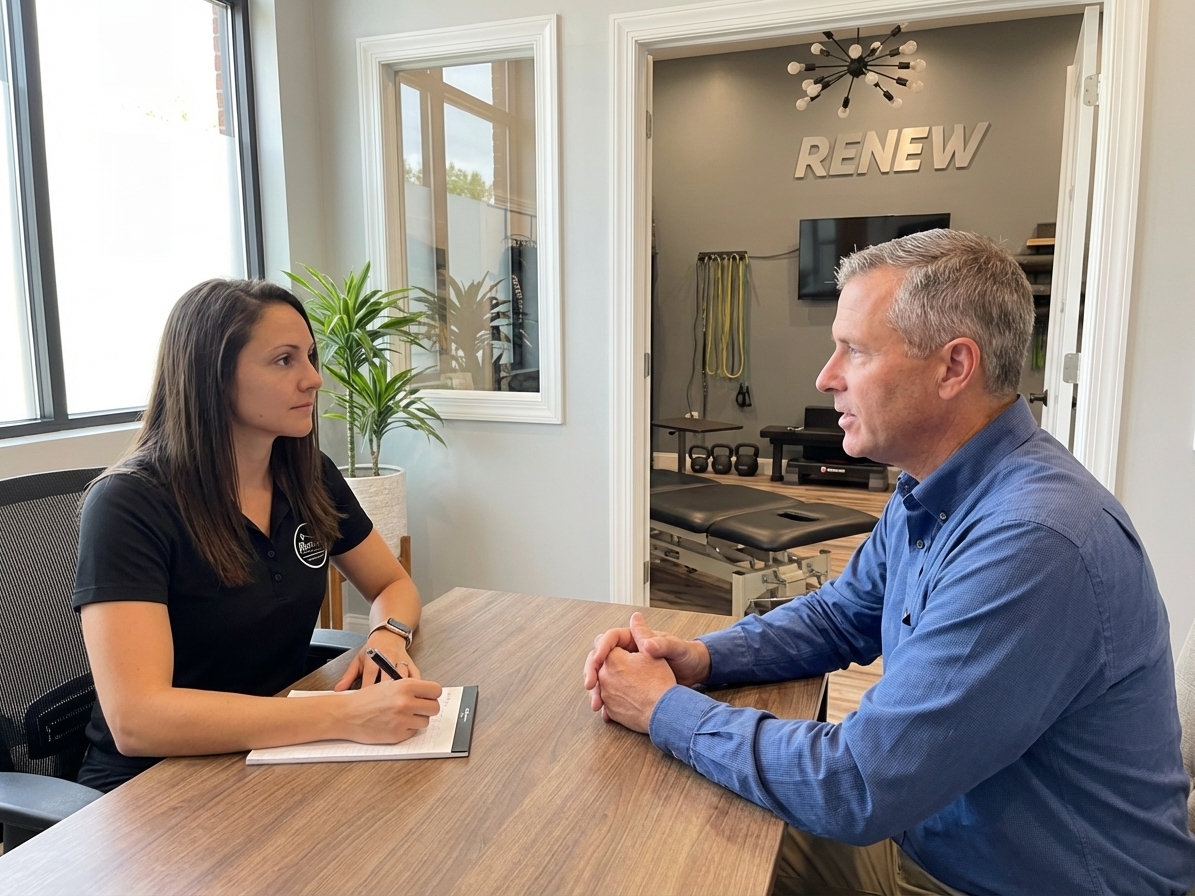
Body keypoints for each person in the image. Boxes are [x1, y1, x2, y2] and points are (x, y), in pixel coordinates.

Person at [583, 230, 1195, 895]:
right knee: (683, 835)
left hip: (1000, 882)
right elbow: (840, 615)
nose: (826, 377)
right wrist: (702, 659)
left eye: (855, 350)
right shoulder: (932, 488)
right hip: (928, 843)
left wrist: (662, 709)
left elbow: (856, 784)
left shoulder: (1035, 541)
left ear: (952, 367)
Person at [74, 278, 443, 791]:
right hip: (154, 786)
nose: (313, 379)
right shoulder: (129, 504)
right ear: (214, 378)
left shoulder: (308, 474)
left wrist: (387, 635)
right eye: (284, 360)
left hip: (276, 755)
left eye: (309, 357)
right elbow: (138, 719)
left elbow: (392, 585)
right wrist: (344, 715)